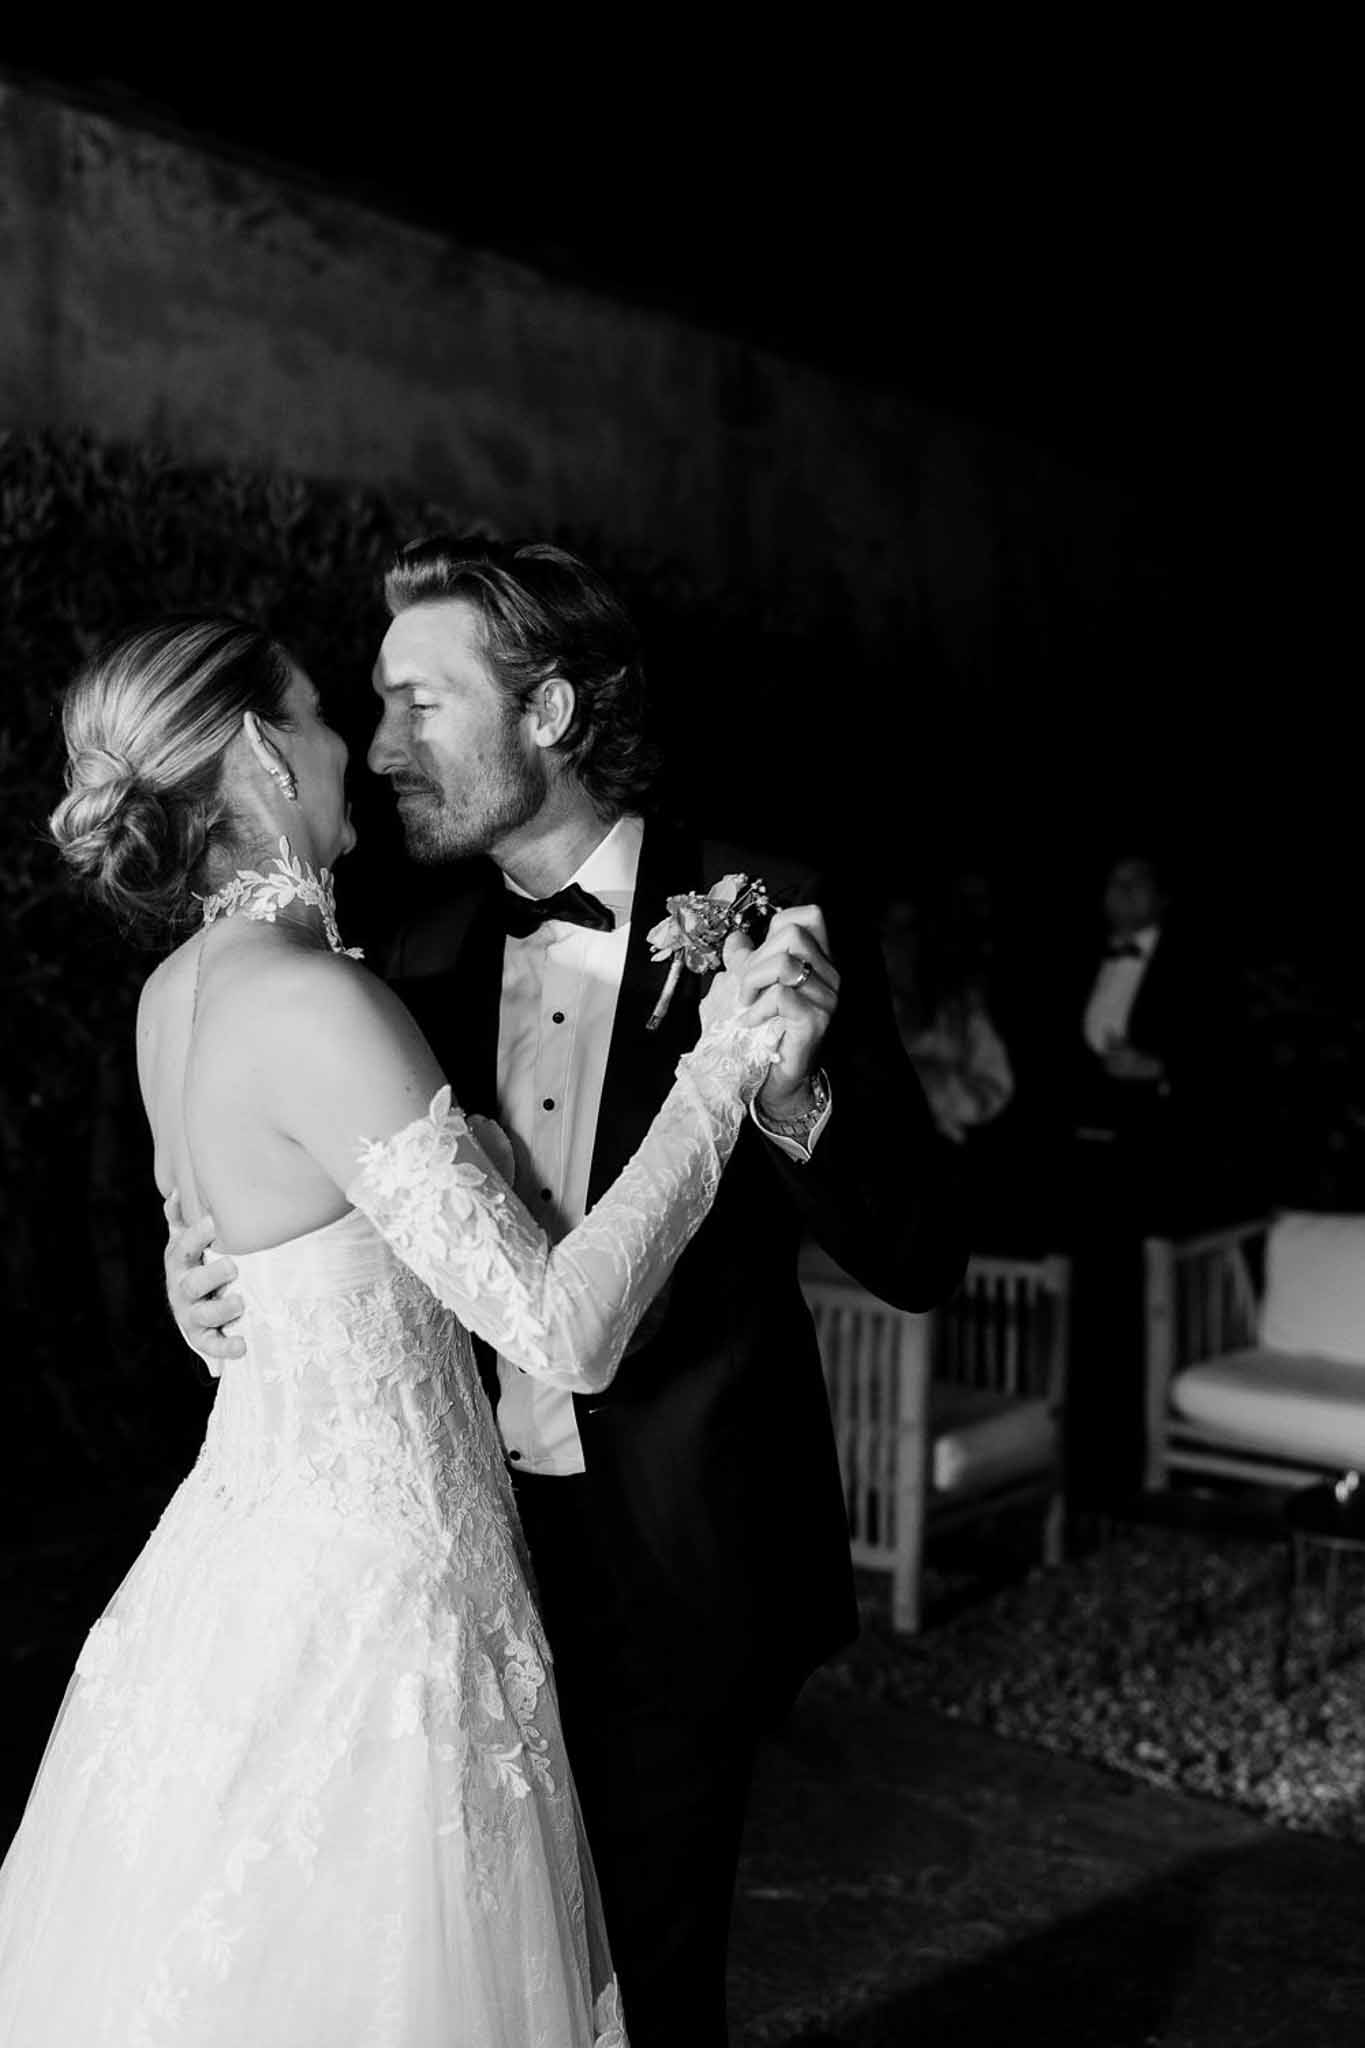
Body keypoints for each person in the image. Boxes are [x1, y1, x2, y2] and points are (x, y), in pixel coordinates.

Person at [170, 538, 967, 2045]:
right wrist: (199, 1255)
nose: (387, 745)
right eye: (376, 710)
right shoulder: (394, 945)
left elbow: (919, 1251)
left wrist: (791, 1105)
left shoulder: (759, 913)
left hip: (672, 1559)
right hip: (442, 1566)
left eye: (420, 703)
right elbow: (270, 1141)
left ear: (543, 713)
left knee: (648, 1983)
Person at [0, 612, 801, 2047]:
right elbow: (561, 1331)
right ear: (253, 751)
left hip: (246, 1566)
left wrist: (201, 1309)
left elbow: (250, 1271)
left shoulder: (170, 996)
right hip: (381, 1608)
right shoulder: (318, 1000)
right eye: (315, 713)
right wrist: (723, 1066)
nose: (352, 751)